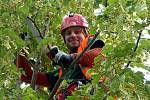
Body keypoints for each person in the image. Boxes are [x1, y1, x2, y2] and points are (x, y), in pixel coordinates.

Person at [16, 13, 106, 99]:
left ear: (85, 34)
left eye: (77, 32)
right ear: (64, 40)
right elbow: (27, 77)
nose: (73, 35)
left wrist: (70, 58)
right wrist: (19, 50)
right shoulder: (62, 73)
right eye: (68, 33)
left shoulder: (90, 43)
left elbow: (100, 56)